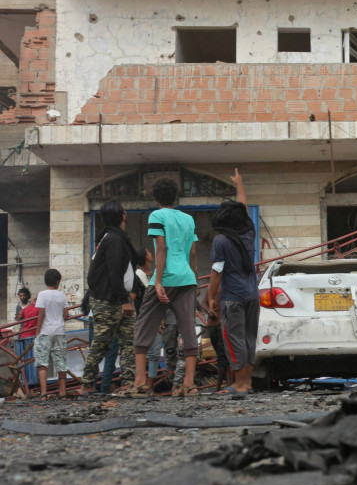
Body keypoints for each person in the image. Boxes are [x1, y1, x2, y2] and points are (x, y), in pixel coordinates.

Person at [129, 178, 200, 397]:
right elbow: (193, 253)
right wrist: (194, 279)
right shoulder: (188, 218)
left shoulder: (156, 216)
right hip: (187, 278)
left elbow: (161, 248)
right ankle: (190, 383)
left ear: (155, 197)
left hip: (166, 277)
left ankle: (140, 382)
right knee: (188, 328)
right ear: (176, 196)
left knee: (143, 326)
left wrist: (157, 281)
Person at [207, 169, 259, 395]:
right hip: (252, 294)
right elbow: (244, 209)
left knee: (234, 339)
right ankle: (247, 382)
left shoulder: (220, 241)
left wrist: (210, 297)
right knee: (249, 338)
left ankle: (239, 384)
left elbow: (217, 272)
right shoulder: (248, 233)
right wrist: (240, 184)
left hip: (233, 298)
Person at [81, 200, 137, 395]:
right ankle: (87, 383)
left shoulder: (110, 237)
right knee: (102, 341)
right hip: (109, 300)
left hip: (117, 298)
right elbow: (114, 271)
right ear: (122, 216)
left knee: (128, 341)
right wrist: (123, 300)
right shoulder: (113, 239)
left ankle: (129, 382)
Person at [34, 268, 70, 398]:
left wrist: (37, 331)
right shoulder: (62, 295)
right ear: (57, 282)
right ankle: (63, 392)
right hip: (59, 331)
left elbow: (41, 314)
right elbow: (66, 314)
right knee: (61, 362)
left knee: (42, 362)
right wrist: (59, 320)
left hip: (45, 331)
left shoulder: (42, 294)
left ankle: (44, 393)